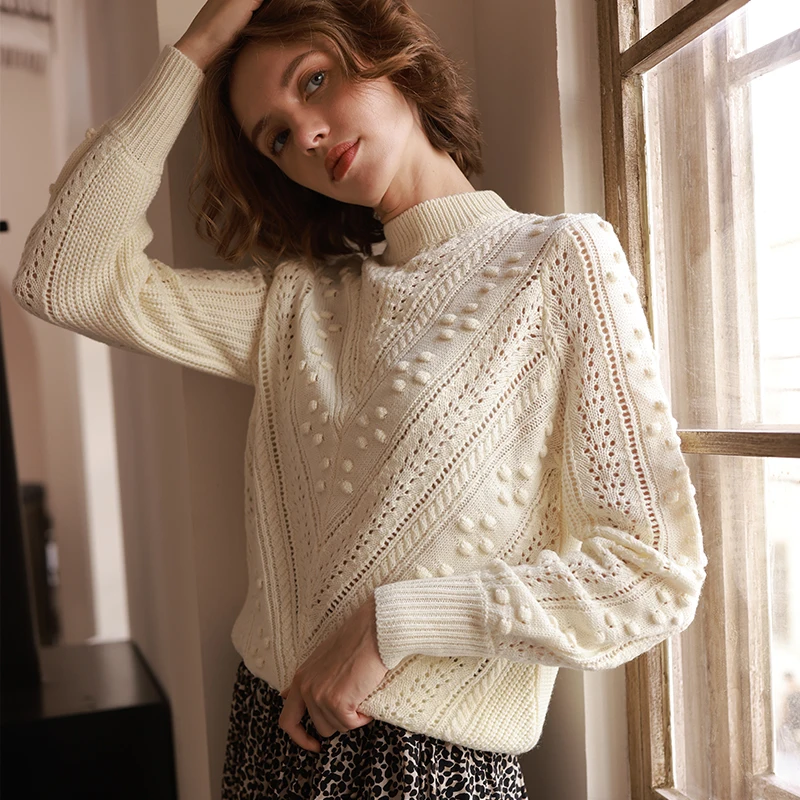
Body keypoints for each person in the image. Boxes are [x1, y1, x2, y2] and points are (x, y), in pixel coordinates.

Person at [11, 0, 708, 796]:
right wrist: (193, 52)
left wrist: (393, 623)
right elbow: (62, 277)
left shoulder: (556, 259)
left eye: (314, 80)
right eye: (275, 137)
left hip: (429, 767)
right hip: (265, 741)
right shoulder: (298, 307)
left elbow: (651, 574)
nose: (306, 134)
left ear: (390, 54)